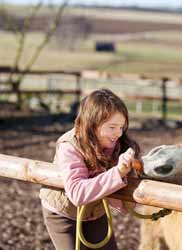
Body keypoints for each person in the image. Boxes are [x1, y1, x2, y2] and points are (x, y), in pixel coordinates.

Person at [39, 88, 140, 250]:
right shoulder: (70, 146)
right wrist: (118, 173)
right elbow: (77, 193)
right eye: (112, 127)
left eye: (122, 127)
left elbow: (125, 205)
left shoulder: (117, 145)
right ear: (92, 124)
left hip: (95, 209)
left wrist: (129, 170)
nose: (119, 133)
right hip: (63, 213)